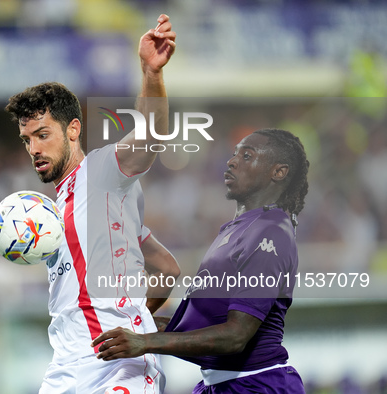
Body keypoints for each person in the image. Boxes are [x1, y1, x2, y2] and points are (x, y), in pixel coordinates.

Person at [5, 14, 178, 394]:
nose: (33, 148)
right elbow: (166, 268)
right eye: (26, 140)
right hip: (66, 366)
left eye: (42, 135)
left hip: (116, 368)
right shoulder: (54, 210)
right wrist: (138, 313)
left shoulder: (101, 171)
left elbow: (150, 137)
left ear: (73, 129)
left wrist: (151, 74)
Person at [92, 129, 309, 393]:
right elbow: (199, 324)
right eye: (234, 154)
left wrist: (146, 341)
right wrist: (132, 326)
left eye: (248, 156)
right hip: (222, 383)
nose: (231, 162)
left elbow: (236, 336)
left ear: (278, 172)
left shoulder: (270, 233)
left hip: (256, 384)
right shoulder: (236, 229)